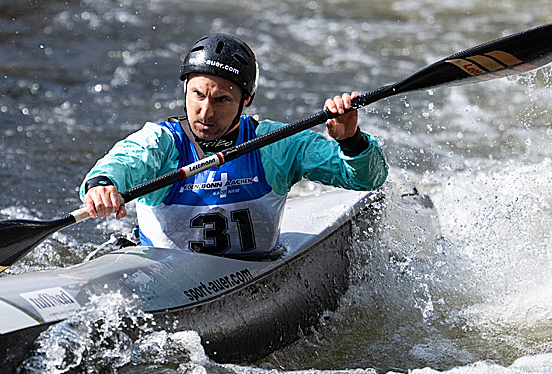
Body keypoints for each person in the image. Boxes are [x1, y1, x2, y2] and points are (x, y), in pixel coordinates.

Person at [79, 33, 387, 256]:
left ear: (246, 101)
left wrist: (351, 140)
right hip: (163, 276)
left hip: (249, 274)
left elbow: (367, 179)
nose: (205, 111)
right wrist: (102, 185)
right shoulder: (161, 143)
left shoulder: (275, 144)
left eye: (222, 99)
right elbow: (123, 161)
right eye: (197, 94)